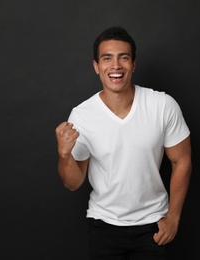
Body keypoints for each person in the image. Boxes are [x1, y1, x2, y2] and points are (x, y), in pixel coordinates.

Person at [55, 26, 192, 259]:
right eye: (107, 58)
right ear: (96, 66)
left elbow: (182, 161)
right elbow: (73, 183)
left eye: (124, 58)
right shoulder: (81, 115)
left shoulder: (162, 105)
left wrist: (173, 219)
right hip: (104, 226)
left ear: (133, 64)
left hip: (153, 225)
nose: (116, 66)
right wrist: (65, 155)